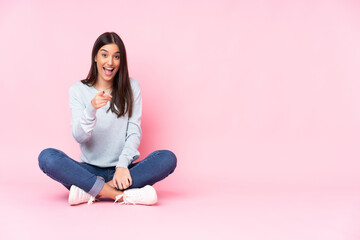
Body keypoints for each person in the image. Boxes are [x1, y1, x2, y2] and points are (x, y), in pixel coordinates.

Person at [38, 32, 177, 206]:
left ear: (121, 61)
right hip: (88, 170)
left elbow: (134, 132)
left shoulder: (132, 87)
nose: (110, 62)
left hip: (125, 171)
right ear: (95, 57)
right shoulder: (78, 90)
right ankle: (121, 194)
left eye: (116, 57)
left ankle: (91, 191)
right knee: (47, 157)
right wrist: (91, 109)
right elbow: (79, 137)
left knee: (167, 158)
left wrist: (122, 166)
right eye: (104, 55)